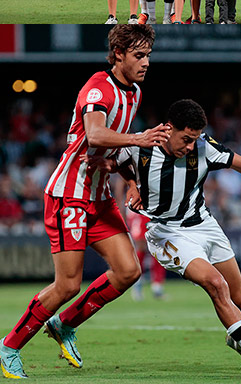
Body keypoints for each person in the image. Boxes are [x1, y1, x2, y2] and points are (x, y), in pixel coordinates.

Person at [0, 24, 168, 382]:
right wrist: (140, 139)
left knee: (128, 271)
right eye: (139, 55)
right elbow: (95, 134)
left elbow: (114, 147)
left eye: (148, 55)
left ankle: (64, 325)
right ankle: (9, 346)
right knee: (68, 285)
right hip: (68, 197)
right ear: (118, 54)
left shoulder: (134, 92)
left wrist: (131, 181)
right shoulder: (98, 88)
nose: (146, 62)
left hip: (99, 197)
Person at [119, 97, 241, 377]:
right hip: (166, 231)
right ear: (168, 128)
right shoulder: (141, 145)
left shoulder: (203, 147)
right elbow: (114, 159)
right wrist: (131, 185)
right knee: (215, 283)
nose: (190, 146)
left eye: (195, 139)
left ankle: (237, 335)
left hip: (205, 225)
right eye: (186, 138)